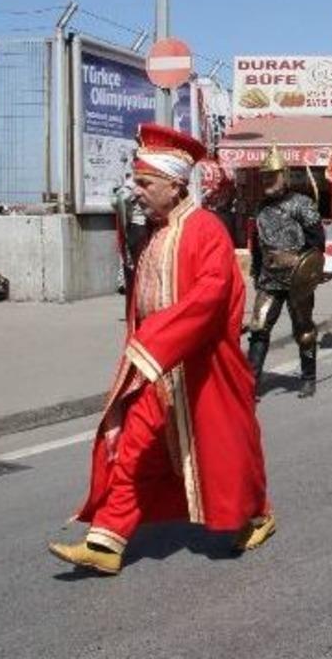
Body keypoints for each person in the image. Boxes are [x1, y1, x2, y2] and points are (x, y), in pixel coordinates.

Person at [49, 123, 274, 575]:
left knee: (225, 454)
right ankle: (106, 541)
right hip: (156, 367)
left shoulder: (205, 229)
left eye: (145, 183)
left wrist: (158, 341)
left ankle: (256, 515)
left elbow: (211, 295)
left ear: (174, 186)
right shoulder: (155, 232)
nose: (136, 191)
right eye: (136, 182)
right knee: (135, 449)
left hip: (199, 366)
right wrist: (144, 348)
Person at [246, 146, 326, 397]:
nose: (268, 181)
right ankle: (250, 384)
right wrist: (256, 272)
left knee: (303, 329)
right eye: (265, 176)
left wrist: (308, 272)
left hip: (297, 279)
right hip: (269, 279)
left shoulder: (302, 204)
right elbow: (258, 245)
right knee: (258, 328)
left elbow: (317, 243)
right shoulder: (260, 208)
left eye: (273, 176)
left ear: (285, 175)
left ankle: (308, 378)